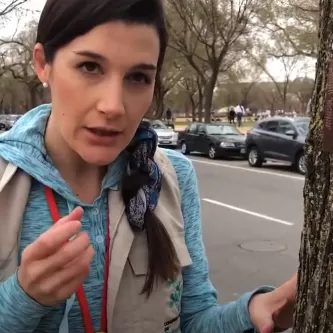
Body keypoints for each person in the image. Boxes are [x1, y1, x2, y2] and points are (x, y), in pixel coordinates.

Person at [0, 0, 297, 332]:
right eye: (89, 67)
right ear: (43, 64)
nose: (113, 106)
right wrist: (23, 298)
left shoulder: (172, 177)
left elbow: (194, 321)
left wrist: (255, 310)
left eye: (138, 77)